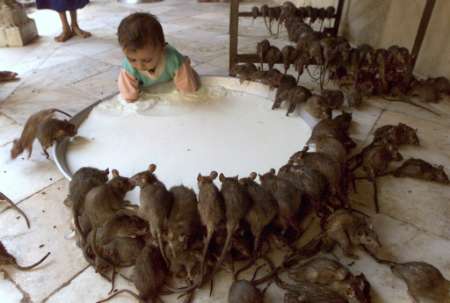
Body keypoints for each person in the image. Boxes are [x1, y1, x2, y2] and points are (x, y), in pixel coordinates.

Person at [117, 13, 200, 102]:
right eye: (132, 59)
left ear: (161, 49)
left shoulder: (174, 60)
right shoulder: (128, 69)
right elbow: (129, 96)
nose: (140, 66)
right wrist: (132, 99)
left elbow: (189, 91)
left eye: (147, 60)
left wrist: (187, 96)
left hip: (175, 80)